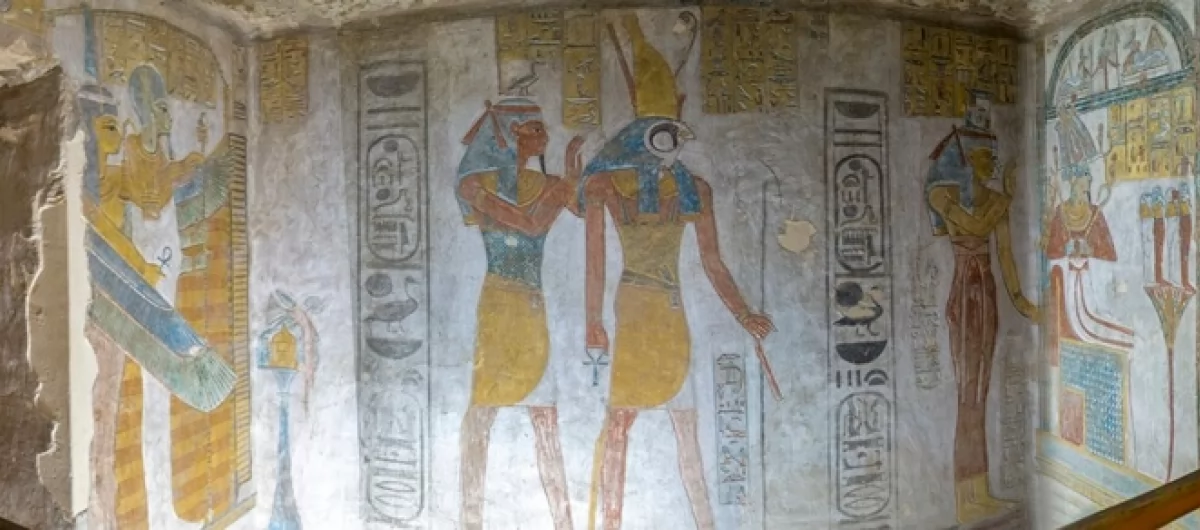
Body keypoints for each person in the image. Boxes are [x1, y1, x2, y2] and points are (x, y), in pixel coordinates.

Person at [580, 14, 773, 530]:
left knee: (683, 425)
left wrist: (744, 313)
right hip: (638, 309)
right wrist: (593, 321)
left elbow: (713, 262)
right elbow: (595, 261)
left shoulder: (692, 188)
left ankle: (704, 522)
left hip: (668, 311)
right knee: (620, 422)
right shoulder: (605, 185)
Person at [456, 97, 584, 530]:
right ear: (509, 134)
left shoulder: (546, 185)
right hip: (498, 304)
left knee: (545, 415)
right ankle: (470, 519)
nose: (544, 136)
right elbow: (530, 223)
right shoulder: (474, 184)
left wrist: (570, 182)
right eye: (535, 128)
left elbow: (584, 208)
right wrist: (564, 185)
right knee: (482, 412)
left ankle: (564, 521)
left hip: (531, 306)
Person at [925, 90, 1038, 525]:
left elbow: (1006, 255)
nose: (993, 163)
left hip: (986, 291)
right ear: (966, 158)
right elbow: (973, 225)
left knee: (980, 393)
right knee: (967, 395)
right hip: (966, 293)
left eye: (994, 156)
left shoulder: (993, 199)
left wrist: (1024, 303)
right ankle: (964, 498)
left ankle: (979, 492)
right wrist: (1005, 197)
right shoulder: (945, 194)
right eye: (985, 157)